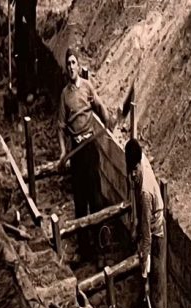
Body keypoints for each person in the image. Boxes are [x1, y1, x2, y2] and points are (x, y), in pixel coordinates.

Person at [61, 48, 109, 219]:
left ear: (79, 66)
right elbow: (60, 127)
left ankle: (99, 233)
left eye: (73, 63)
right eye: (68, 64)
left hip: (89, 146)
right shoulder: (65, 95)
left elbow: (99, 106)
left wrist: (107, 121)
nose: (71, 67)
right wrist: (63, 152)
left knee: (95, 196)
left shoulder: (87, 87)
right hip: (76, 150)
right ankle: (83, 236)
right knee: (80, 200)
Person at [125, 139, 167, 308]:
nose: (133, 174)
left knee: (157, 275)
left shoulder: (145, 194)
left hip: (156, 230)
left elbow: (147, 236)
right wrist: (134, 223)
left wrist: (144, 261)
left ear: (138, 165)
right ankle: (145, 296)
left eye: (134, 170)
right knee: (148, 268)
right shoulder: (139, 159)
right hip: (146, 220)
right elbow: (132, 189)